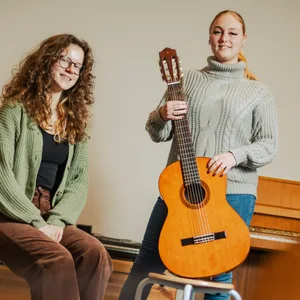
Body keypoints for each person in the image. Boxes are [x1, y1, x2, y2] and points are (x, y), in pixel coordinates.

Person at [119, 10, 278, 300]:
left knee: (219, 275)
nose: (224, 38)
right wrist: (161, 114)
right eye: (218, 31)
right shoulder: (186, 80)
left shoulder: (258, 92)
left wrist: (235, 155)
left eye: (232, 32)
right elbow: (158, 133)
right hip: (181, 189)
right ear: (209, 37)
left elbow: (268, 145)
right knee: (146, 262)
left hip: (234, 192)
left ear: (244, 39)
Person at [0, 34, 112, 300]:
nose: (71, 69)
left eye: (78, 65)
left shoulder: (75, 123)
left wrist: (57, 221)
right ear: (47, 61)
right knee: (57, 259)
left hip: (49, 216)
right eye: (64, 60)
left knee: (96, 254)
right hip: (9, 214)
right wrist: (36, 223)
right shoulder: (14, 111)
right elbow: (1, 173)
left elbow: (78, 181)